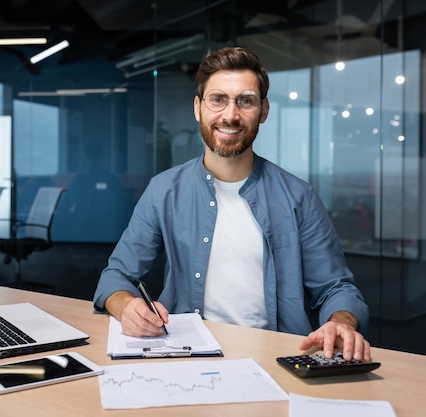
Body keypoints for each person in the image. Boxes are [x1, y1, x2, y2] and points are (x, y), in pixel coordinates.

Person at [93, 46, 371, 361]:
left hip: (276, 357)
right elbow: (116, 276)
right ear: (198, 108)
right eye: (218, 99)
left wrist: (341, 322)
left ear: (263, 111)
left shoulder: (299, 197)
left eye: (246, 101)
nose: (230, 115)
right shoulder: (163, 190)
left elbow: (337, 288)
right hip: (185, 354)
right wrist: (125, 305)